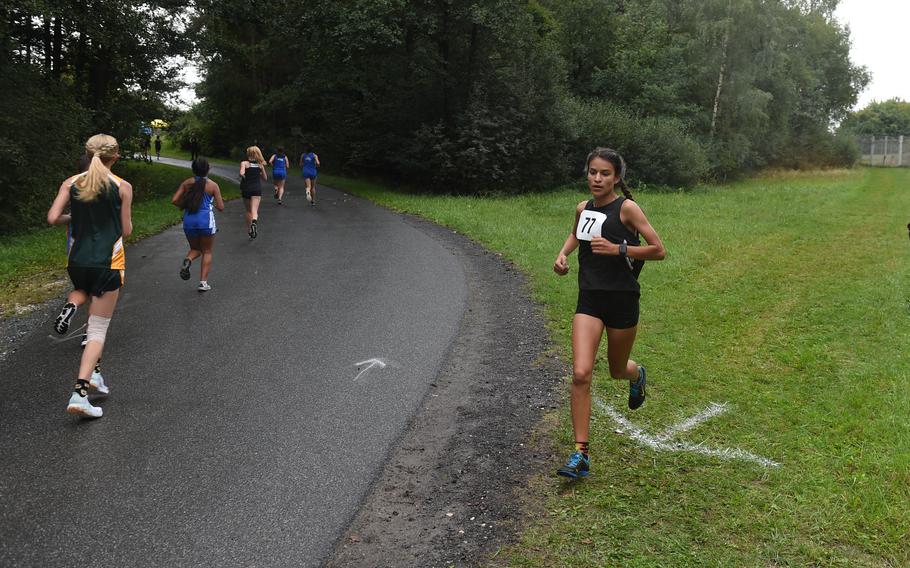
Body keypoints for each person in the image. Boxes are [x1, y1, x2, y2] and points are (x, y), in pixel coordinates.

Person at [552, 147, 666, 479]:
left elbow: (658, 250)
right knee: (581, 373)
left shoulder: (627, 209)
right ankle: (580, 454)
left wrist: (620, 249)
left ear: (616, 178)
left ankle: (636, 375)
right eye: (592, 172)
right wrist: (562, 255)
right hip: (589, 299)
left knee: (618, 369)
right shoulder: (582, 208)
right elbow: (576, 234)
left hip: (622, 300)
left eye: (604, 173)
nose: (597, 179)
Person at [47, 134, 133, 418]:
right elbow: (127, 230)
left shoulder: (70, 183)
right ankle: (80, 394)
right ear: (116, 157)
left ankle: (95, 376)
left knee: (86, 301)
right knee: (96, 331)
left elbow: (52, 218)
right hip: (108, 262)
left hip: (77, 260)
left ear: (87, 153)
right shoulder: (122, 187)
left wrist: (75, 218)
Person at [172, 158, 225, 291]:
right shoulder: (213, 185)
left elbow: (174, 200)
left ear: (193, 169)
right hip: (205, 221)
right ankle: (203, 283)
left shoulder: (187, 183)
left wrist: (185, 206)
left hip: (189, 221)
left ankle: (188, 260)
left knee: (195, 249)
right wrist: (211, 203)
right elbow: (221, 207)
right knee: (207, 251)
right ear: (208, 169)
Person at [240, 146, 268, 238]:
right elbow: (265, 178)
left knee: (248, 211)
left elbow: (241, 173)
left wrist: (245, 177)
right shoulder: (260, 165)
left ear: (248, 154)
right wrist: (258, 173)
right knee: (254, 210)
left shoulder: (244, 163)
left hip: (246, 188)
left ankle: (250, 231)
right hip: (256, 189)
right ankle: (254, 222)